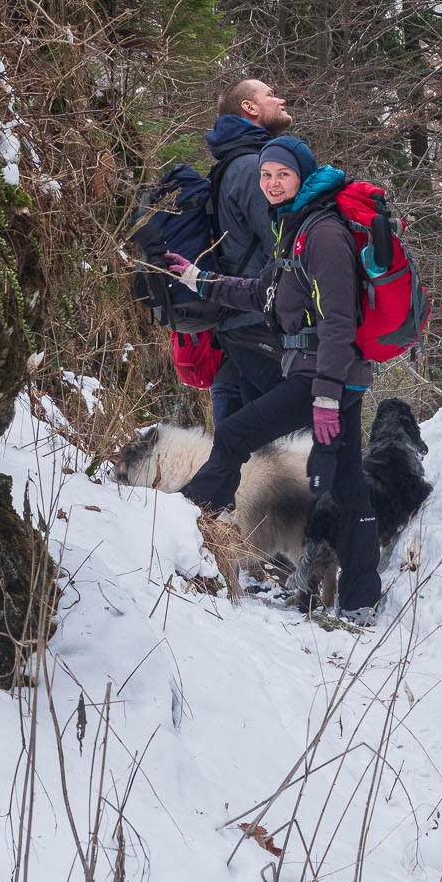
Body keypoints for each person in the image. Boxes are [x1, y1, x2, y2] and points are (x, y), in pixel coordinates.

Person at [167, 134, 382, 622]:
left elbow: (339, 323)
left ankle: (192, 517)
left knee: (236, 433)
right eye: (265, 174)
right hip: (328, 379)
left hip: (322, 379)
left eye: (282, 174)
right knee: (348, 487)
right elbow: (261, 291)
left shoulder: (323, 235)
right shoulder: (297, 229)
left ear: (302, 176)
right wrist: (200, 281)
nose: (271, 183)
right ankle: (362, 598)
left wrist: (326, 397)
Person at [203, 78, 292, 427]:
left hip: (238, 324)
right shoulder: (252, 167)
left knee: (240, 454)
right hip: (258, 324)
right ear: (249, 108)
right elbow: (283, 244)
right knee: (296, 438)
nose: (280, 98)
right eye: (271, 94)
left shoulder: (231, 164)